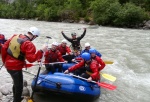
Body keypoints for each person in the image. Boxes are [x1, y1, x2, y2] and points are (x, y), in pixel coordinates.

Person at [1, 27, 47, 102]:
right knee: (19, 87)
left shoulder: (15, 36)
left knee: (16, 83)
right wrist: (41, 51)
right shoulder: (29, 44)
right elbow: (31, 59)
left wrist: (4, 61)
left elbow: (4, 48)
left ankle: (16, 98)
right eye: (36, 37)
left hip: (8, 65)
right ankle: (16, 100)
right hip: (16, 68)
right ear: (34, 36)